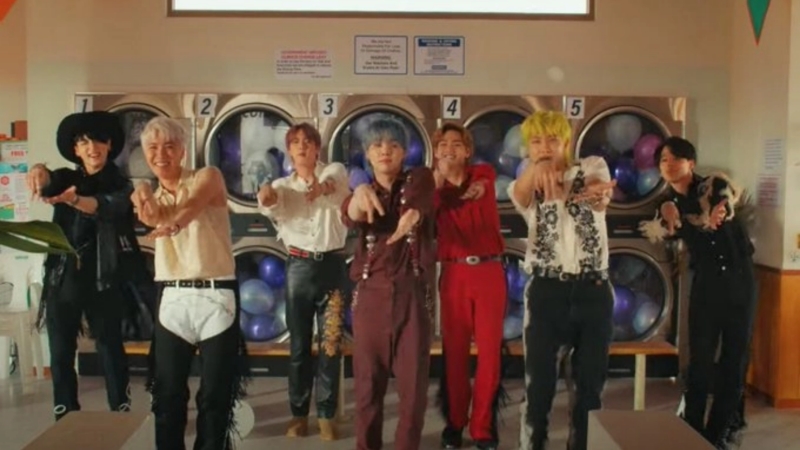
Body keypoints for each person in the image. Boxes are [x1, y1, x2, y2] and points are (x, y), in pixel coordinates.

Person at [131, 116, 249, 450]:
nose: (161, 155)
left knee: (216, 394)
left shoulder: (208, 176)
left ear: (183, 150)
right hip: (173, 297)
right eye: (153, 148)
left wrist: (174, 224)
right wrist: (143, 198)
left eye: (169, 146)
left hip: (217, 294)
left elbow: (193, 205)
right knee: (167, 393)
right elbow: (152, 215)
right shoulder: (152, 195)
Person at [26, 111, 150, 421]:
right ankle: (65, 410)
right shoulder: (65, 179)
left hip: (105, 276)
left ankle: (120, 407)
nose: (92, 148)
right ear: (76, 150)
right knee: (61, 348)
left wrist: (74, 201)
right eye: (84, 143)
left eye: (98, 141)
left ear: (109, 146)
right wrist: (39, 171)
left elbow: (105, 206)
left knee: (109, 345)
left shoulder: (122, 185)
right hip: (63, 275)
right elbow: (49, 182)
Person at [507, 111, 617, 450]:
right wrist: (537, 168)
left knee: (589, 390)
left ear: (566, 142)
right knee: (538, 388)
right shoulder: (524, 183)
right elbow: (521, 194)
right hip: (546, 291)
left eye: (552, 139)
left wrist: (597, 194)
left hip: (593, 289)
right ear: (527, 148)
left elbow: (599, 192)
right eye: (536, 141)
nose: (544, 147)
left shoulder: (592, 166)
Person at [638, 136, 757, 450]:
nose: (669, 165)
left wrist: (718, 213)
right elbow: (664, 229)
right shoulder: (666, 205)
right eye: (663, 160)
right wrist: (669, 215)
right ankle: (690, 430)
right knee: (700, 361)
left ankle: (718, 435)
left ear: (690, 163)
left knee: (734, 360)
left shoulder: (714, 186)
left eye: (676, 158)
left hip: (740, 279)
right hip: (706, 284)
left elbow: (725, 204)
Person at [341, 117, 436, 450]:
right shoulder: (361, 191)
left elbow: (423, 196)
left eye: (394, 145)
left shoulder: (419, 179)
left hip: (413, 296)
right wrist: (359, 194)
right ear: (367, 153)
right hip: (370, 297)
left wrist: (414, 215)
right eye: (377, 145)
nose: (385, 150)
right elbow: (350, 212)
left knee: (413, 391)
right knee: (367, 389)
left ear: (404, 152)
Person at [257, 123, 349, 441]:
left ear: (317, 148)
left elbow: (332, 183)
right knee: (298, 347)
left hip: (332, 267)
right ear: (289, 150)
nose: (302, 147)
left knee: (331, 344)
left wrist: (320, 189)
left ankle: (326, 415)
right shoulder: (283, 185)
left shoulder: (335, 171)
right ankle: (298, 415)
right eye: (295, 142)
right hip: (298, 268)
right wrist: (265, 195)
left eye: (308, 142)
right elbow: (271, 203)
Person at [432, 123, 507, 450]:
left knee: (490, 354)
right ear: (435, 152)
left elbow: (482, 183)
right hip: (454, 273)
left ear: (467, 151)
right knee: (455, 354)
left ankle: (483, 427)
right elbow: (423, 212)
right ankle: (455, 422)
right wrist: (435, 185)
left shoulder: (482, 174)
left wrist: (473, 187)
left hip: (489, 271)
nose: (449, 149)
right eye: (443, 144)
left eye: (456, 144)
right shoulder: (431, 188)